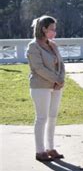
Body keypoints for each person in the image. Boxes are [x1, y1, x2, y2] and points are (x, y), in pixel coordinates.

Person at [26, 15, 66, 162]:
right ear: (43, 29)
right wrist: (56, 79)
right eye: (52, 29)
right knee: (42, 118)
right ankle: (40, 151)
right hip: (40, 87)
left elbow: (61, 64)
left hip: (56, 87)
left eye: (55, 29)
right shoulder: (33, 46)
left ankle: (51, 148)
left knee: (53, 117)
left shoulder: (53, 45)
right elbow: (38, 68)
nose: (54, 32)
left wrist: (61, 79)